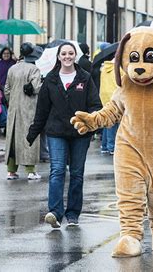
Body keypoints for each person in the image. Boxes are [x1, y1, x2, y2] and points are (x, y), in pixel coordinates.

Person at [27, 42, 101, 229]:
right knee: (57, 171)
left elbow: (95, 105)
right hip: (56, 132)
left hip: (80, 133)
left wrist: (92, 124)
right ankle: (55, 213)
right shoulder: (50, 79)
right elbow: (42, 109)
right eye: (64, 54)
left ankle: (73, 213)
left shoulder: (85, 78)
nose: (67, 57)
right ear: (58, 57)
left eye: (70, 53)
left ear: (75, 56)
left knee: (76, 173)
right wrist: (33, 133)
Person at [4, 43, 43, 180]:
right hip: (29, 108)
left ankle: (11, 171)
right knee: (29, 137)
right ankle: (31, 171)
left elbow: (7, 89)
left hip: (14, 108)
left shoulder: (12, 68)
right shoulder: (34, 69)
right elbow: (36, 88)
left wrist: (13, 100)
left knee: (13, 138)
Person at [99, 58, 118, 155]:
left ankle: (105, 145)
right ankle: (112, 147)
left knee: (107, 122)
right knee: (112, 123)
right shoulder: (118, 68)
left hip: (104, 96)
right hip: (114, 96)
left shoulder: (105, 68)